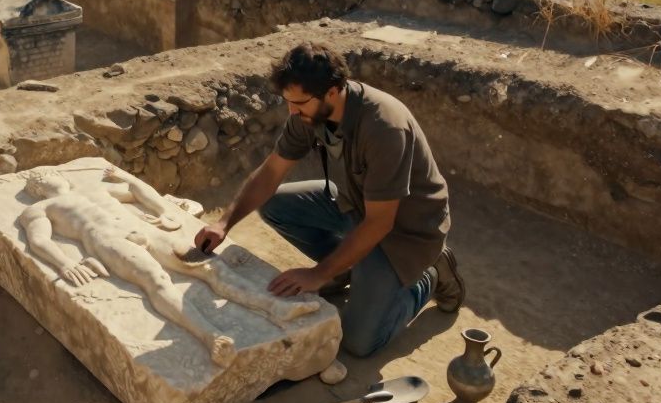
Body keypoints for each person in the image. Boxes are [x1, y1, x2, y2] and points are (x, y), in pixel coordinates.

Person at [195, 42, 464, 358]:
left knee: (358, 342)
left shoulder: (383, 127)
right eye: (288, 102)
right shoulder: (309, 112)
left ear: (333, 92)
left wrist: (318, 274)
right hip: (356, 206)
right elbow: (271, 173)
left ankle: (431, 274)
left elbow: (380, 223)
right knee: (274, 205)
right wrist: (224, 222)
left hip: (406, 231)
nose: (292, 111)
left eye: (299, 103)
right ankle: (346, 269)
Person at [19, 167, 319, 367]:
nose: (49, 178)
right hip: (108, 241)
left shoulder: (95, 191)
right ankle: (211, 337)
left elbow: (136, 190)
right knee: (157, 281)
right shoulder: (40, 208)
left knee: (209, 266)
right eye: (41, 179)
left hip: (145, 230)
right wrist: (65, 263)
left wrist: (163, 210)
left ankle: (275, 306)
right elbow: (38, 240)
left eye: (49, 174)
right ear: (37, 189)